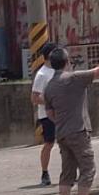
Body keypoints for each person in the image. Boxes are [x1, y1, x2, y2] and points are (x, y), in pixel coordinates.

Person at [43, 39, 99, 195]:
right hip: (78, 131)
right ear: (67, 62)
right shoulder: (73, 78)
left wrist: (62, 121)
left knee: (67, 171)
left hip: (61, 132)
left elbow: (49, 112)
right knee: (88, 168)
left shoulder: (49, 86)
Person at [31, 41, 58, 186]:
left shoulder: (59, 70)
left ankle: (72, 171)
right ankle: (45, 172)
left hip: (63, 114)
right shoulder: (42, 74)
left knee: (69, 142)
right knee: (49, 143)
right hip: (47, 115)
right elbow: (35, 97)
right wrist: (51, 103)